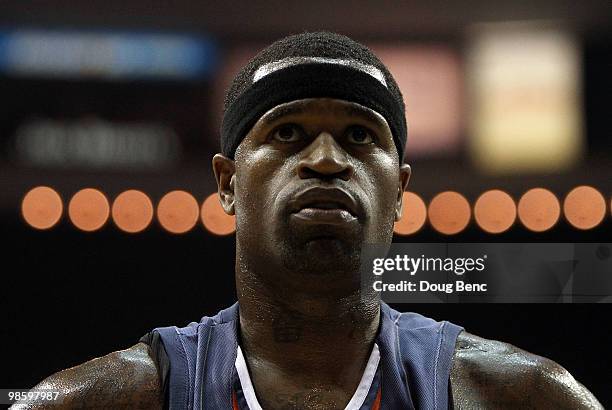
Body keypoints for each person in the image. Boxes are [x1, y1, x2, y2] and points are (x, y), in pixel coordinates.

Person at [15, 31, 602, 410]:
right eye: (288, 132)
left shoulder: (522, 397)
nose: (325, 159)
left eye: (359, 135)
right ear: (227, 184)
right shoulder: (102, 400)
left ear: (399, 193)